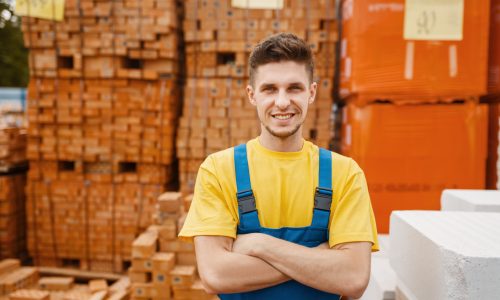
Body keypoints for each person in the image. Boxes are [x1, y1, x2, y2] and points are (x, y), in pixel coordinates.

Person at [178, 32, 379, 299]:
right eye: (269, 89)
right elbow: (216, 275)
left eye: (294, 88)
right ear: (252, 95)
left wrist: (260, 245)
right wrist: (320, 259)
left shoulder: (344, 174)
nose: (282, 102)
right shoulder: (219, 170)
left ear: (312, 92)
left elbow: (353, 278)